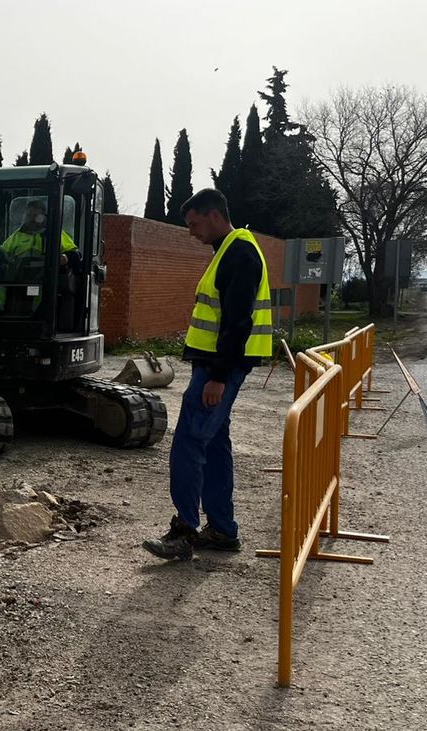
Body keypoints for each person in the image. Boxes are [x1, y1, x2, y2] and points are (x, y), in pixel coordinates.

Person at [143, 188, 273, 561]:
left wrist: (217, 377)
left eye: (194, 223)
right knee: (214, 445)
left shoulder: (239, 253)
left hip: (220, 370)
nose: (191, 232)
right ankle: (221, 529)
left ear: (214, 216)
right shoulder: (231, 250)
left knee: (188, 443)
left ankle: (184, 530)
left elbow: (237, 322)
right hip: (218, 367)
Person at [0, 199, 78, 311]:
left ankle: (38, 314)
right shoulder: (18, 235)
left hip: (43, 276)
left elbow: (75, 253)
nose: (31, 218)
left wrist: (65, 257)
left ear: (43, 216)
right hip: (18, 276)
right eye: (29, 215)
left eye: (35, 215)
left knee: (43, 287)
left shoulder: (55, 234)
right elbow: (3, 250)